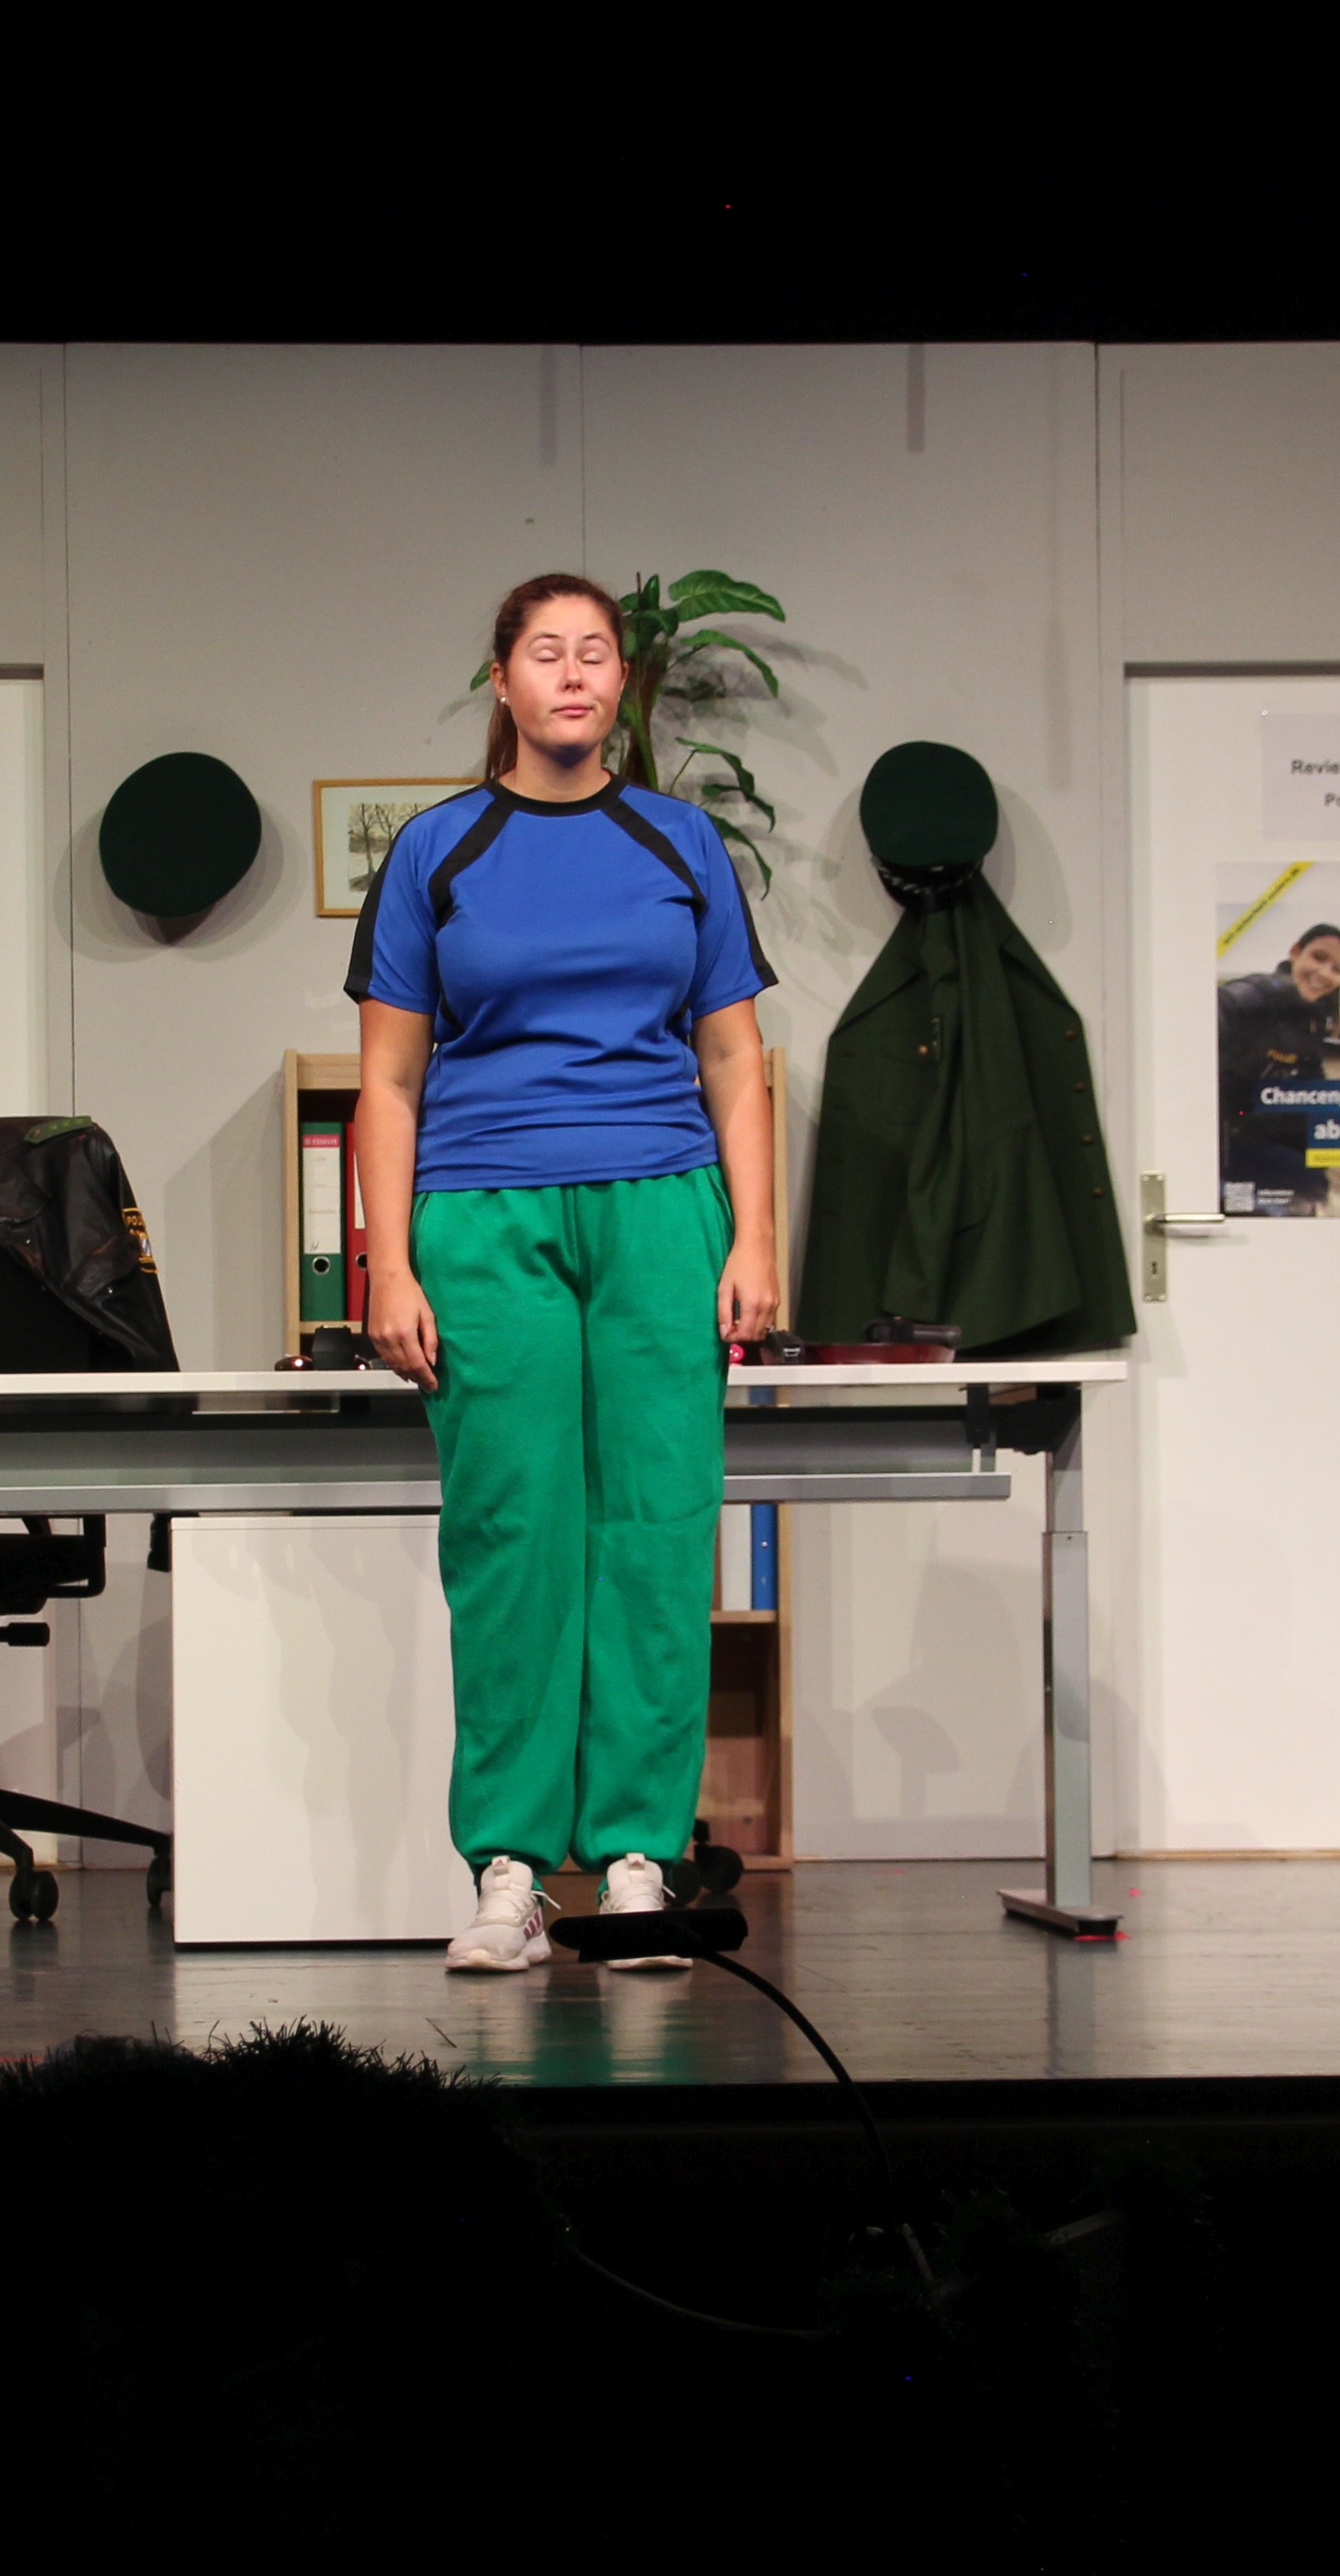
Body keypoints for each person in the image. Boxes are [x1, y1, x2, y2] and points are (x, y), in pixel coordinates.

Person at [345, 573, 780, 1974]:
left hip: (661, 1208)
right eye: (548, 652)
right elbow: (387, 1080)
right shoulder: (437, 849)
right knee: (511, 1534)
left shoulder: (679, 841)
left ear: (620, 686)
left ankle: (639, 1858)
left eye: (597, 653)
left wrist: (757, 1238)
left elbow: (734, 1056)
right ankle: (512, 1870)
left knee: (656, 1525)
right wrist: (389, 1267)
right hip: (483, 1215)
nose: (575, 674)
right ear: (503, 680)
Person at [1215, 922, 1340, 1211]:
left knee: (1310, 1189)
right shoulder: (1263, 992)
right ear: (1295, 952)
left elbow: (1311, 1078)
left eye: (1337, 969)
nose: (1325, 973)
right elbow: (1220, 1007)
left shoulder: (1312, 1016)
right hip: (1225, 1141)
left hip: (1265, 1132)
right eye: (1318, 957)